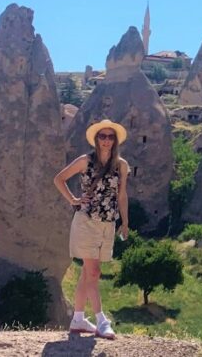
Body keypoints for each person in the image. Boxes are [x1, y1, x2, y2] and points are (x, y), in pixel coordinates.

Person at [53, 119, 129, 340]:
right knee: (94, 272)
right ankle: (101, 320)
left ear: (115, 141)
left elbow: (122, 195)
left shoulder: (121, 165)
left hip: (108, 224)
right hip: (86, 221)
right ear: (96, 139)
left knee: (87, 273)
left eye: (110, 137)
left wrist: (124, 222)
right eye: (102, 136)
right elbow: (59, 179)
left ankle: (77, 319)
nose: (106, 140)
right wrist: (74, 200)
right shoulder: (85, 160)